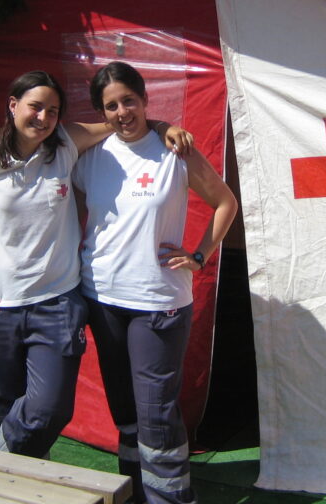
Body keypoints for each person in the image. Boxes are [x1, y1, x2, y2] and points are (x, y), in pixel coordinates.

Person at [0, 70, 192, 459]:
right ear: (13, 106)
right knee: (4, 409)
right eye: (35, 107)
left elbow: (122, 119)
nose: (43, 118)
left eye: (53, 110)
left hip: (56, 303)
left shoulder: (65, 144)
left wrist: (165, 126)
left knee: (49, 409)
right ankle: (16, 482)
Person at [73, 62, 238, 503]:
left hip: (158, 300)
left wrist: (200, 255)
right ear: (101, 112)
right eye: (111, 105)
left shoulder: (174, 151)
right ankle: (134, 492)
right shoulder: (90, 155)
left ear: (145, 100)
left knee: (156, 411)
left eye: (130, 100)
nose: (122, 111)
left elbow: (225, 202)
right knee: (125, 411)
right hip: (102, 297)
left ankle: (170, 498)